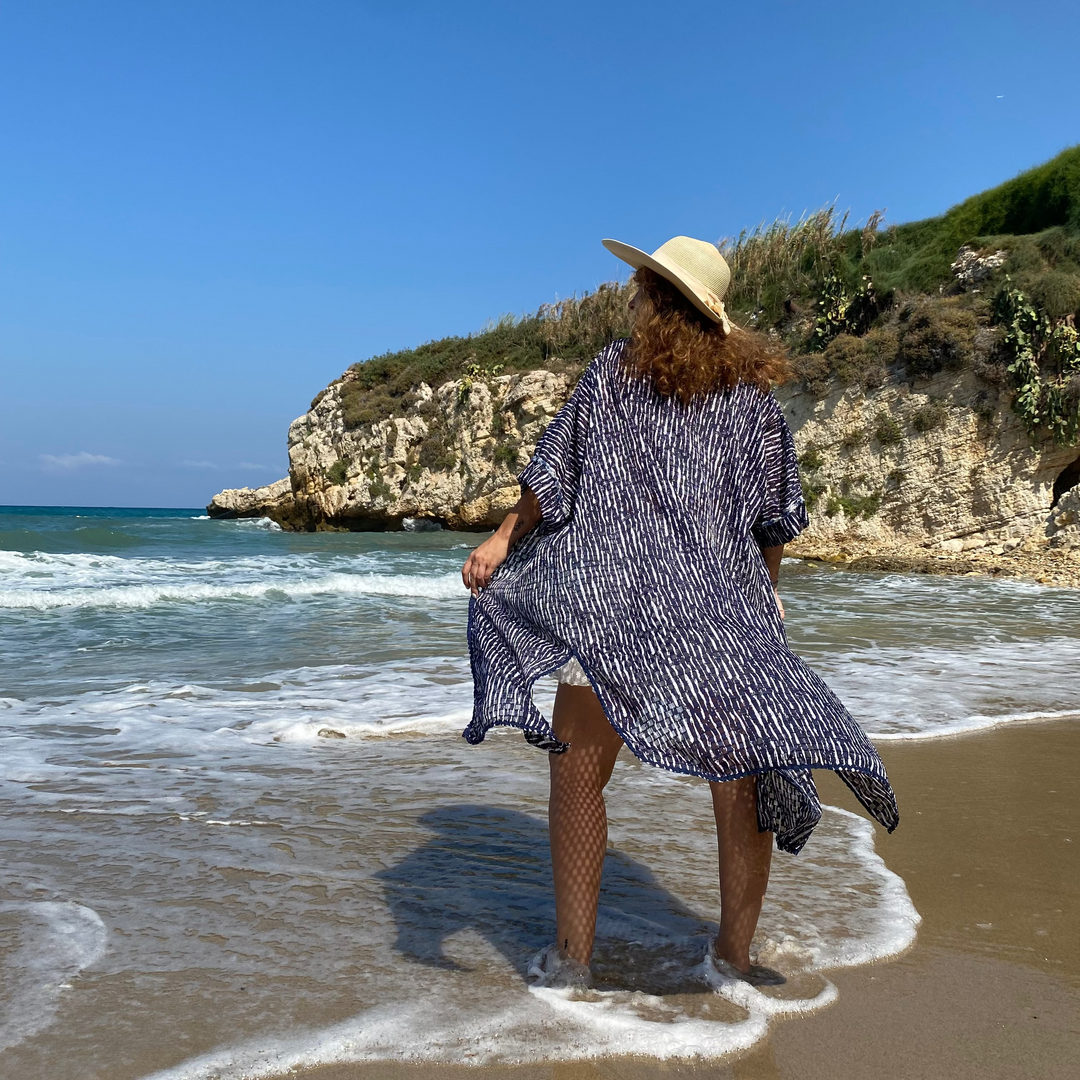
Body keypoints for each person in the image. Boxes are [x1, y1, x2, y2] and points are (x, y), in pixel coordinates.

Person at [460, 236, 898, 988]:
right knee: (743, 777)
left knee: (577, 776)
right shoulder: (751, 401)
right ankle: (731, 957)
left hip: (611, 600)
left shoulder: (611, 376)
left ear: (664, 305)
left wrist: (504, 537)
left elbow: (550, 472)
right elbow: (773, 516)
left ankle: (571, 961)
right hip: (715, 610)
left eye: (639, 292)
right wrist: (768, 591)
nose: (628, 302)